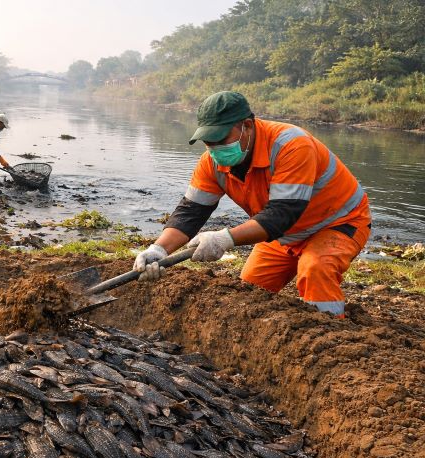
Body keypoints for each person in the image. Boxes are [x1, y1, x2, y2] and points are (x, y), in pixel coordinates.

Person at [134, 91, 371, 317]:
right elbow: (191, 212)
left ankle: (329, 333)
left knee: (315, 269)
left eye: (220, 139)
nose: (214, 148)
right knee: (249, 291)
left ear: (247, 126)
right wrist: (159, 249)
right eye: (208, 141)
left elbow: (281, 214)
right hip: (285, 234)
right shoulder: (211, 163)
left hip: (338, 222)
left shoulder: (291, 145)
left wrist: (223, 239)